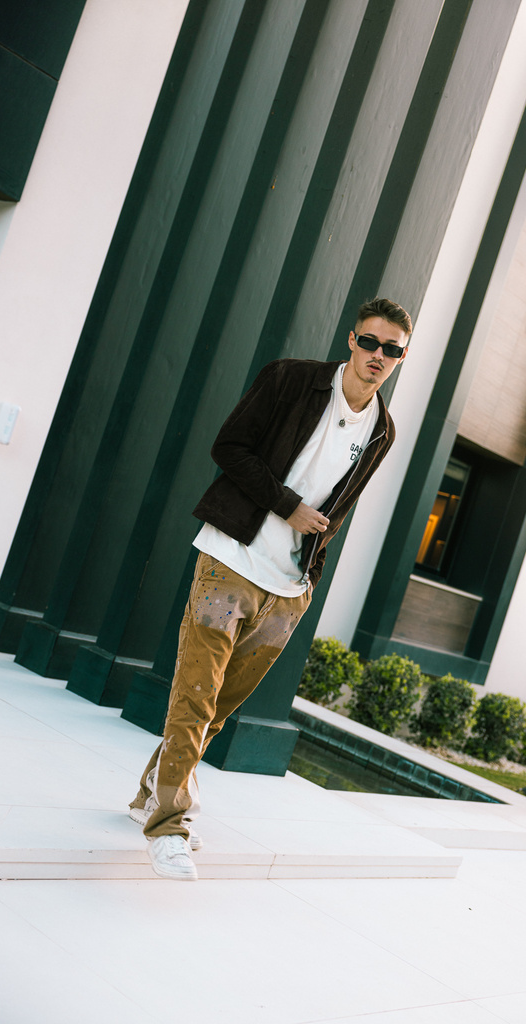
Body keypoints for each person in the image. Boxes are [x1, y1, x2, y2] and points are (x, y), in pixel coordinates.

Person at [129, 296, 412, 879]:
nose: (377, 356)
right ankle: (168, 826)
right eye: (369, 342)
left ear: (400, 358)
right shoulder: (290, 380)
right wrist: (288, 506)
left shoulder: (382, 430)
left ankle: (150, 794)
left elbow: (338, 510)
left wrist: (308, 578)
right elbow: (228, 448)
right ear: (351, 339)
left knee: (217, 710)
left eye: (391, 349)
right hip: (231, 558)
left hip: (288, 586)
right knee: (195, 696)